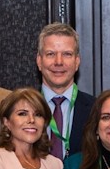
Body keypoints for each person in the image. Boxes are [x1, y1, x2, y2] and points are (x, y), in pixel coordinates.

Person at [36, 22, 90, 161]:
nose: (58, 62)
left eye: (67, 54)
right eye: (50, 54)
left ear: (77, 62)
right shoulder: (17, 110)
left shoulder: (97, 110)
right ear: (39, 61)